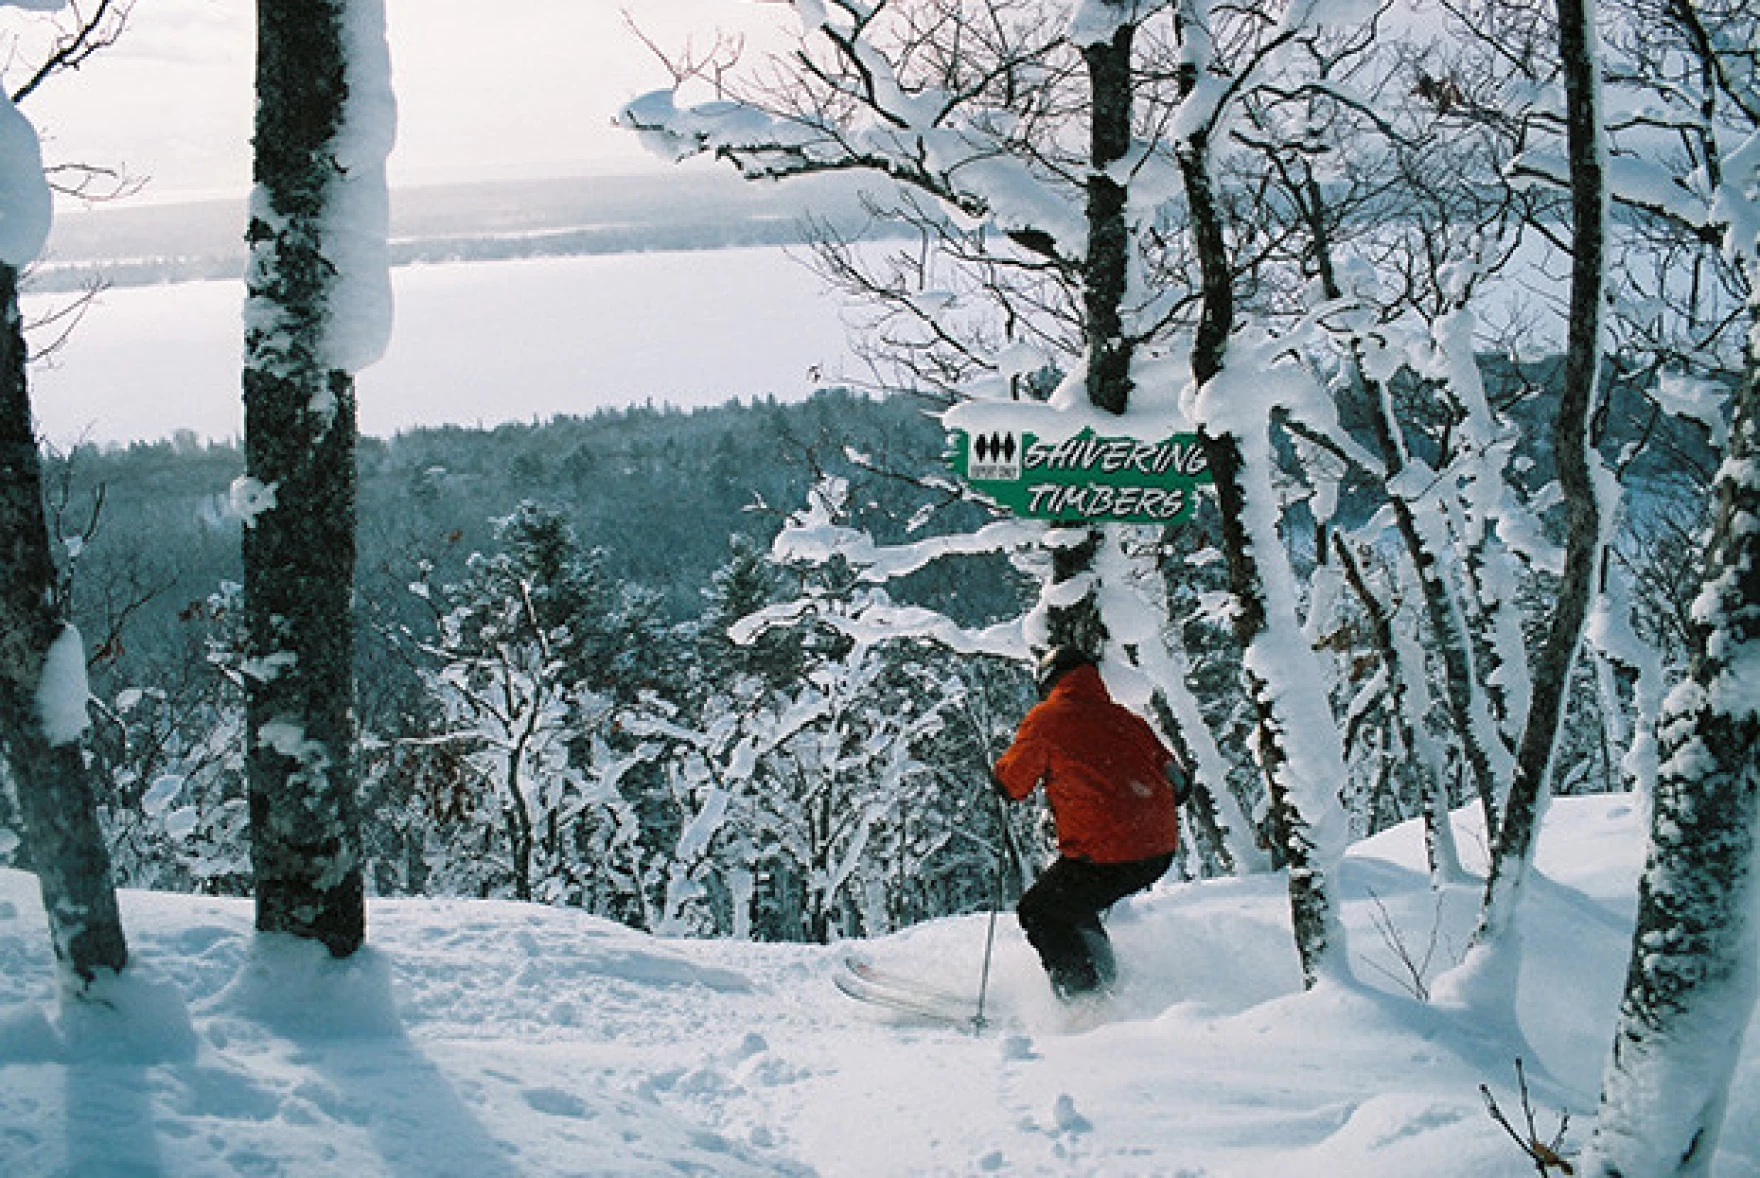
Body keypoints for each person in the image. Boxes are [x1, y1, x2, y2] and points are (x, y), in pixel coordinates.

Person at [992, 645, 1187, 1000]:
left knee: (1039, 910)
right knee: (1072, 902)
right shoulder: (1128, 720)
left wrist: (998, 778)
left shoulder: (1046, 719)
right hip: (1156, 852)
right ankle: (1106, 984)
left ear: (1048, 681)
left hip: (1107, 854)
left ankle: (1085, 1000)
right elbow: (1179, 783)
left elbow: (1013, 784)